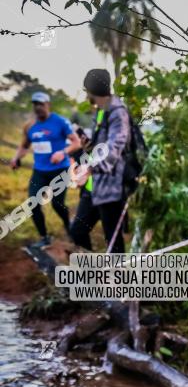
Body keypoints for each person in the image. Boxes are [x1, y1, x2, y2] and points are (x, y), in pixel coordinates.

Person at [70, 69, 131, 253]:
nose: (87, 95)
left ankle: (118, 280)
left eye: (87, 90)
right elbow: (101, 148)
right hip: (93, 187)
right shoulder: (101, 112)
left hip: (111, 189)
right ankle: (92, 273)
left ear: (92, 90)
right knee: (77, 232)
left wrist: (88, 169)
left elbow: (114, 150)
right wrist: (87, 147)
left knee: (113, 242)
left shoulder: (118, 113)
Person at [8, 91, 80, 247]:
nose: (38, 107)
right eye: (35, 104)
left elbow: (76, 142)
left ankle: (69, 227)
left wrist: (63, 152)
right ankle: (44, 237)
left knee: (57, 204)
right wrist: (15, 158)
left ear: (48, 105)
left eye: (41, 104)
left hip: (60, 170)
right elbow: (24, 146)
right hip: (40, 171)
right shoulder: (30, 126)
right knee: (32, 204)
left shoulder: (60, 122)